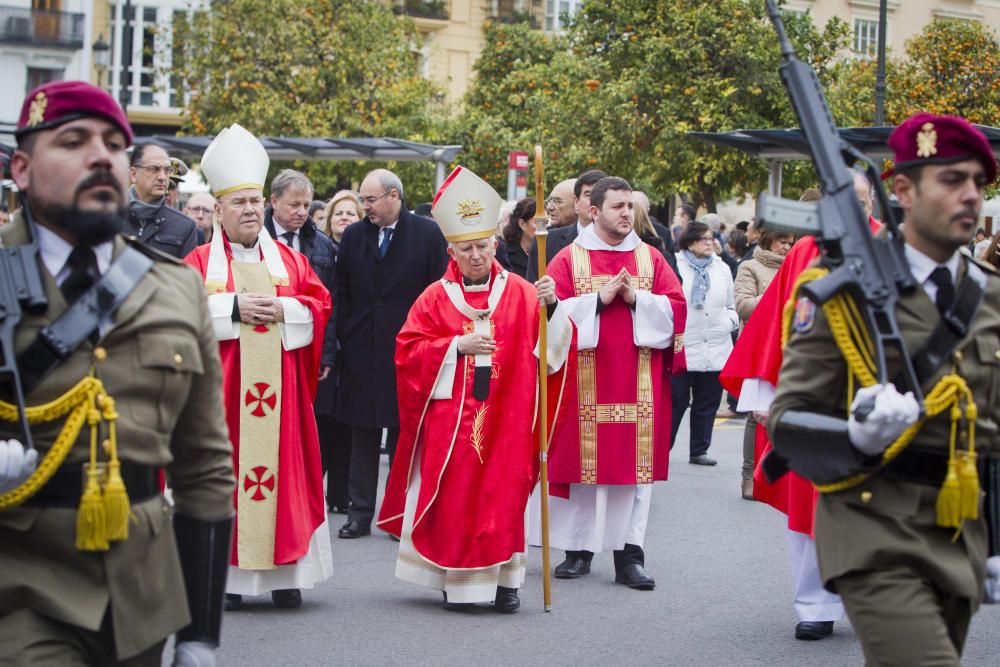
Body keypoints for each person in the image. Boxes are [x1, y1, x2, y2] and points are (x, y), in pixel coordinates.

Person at [0, 80, 233, 666]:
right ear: (23, 169)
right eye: (74, 141)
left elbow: (204, 464)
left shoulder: (174, 286)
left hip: (141, 593)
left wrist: (203, 634)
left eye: (113, 143)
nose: (101, 155)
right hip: (20, 584)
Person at [768, 113, 1000, 662]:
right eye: (951, 179)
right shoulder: (839, 292)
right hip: (873, 527)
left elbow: (989, 433)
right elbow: (789, 417)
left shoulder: (988, 296)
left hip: (958, 531)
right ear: (903, 190)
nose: (970, 196)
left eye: (978, 182)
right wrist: (859, 437)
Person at [377, 166, 574, 613]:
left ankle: (507, 584)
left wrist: (554, 306)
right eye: (466, 249)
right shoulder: (434, 298)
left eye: (482, 246)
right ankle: (457, 581)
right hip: (451, 424)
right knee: (457, 495)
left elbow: (557, 351)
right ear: (452, 250)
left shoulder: (524, 294)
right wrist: (454, 346)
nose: (477, 256)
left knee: (503, 495)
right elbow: (407, 352)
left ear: (493, 244)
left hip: (508, 418)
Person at [183, 124, 333, 611]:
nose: (248, 210)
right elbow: (179, 315)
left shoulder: (290, 261)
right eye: (238, 203)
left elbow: (318, 306)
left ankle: (287, 573)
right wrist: (231, 309)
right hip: (223, 399)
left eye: (254, 201)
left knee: (286, 476)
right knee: (226, 476)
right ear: (219, 210)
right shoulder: (197, 262)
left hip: (281, 398)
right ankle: (230, 579)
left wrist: (283, 310)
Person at [721, 174, 877, 641]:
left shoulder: (893, 249)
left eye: (861, 200)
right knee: (813, 504)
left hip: (874, 401)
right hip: (812, 398)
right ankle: (815, 605)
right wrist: (766, 398)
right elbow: (772, 326)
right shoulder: (805, 253)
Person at [535, 176, 686, 590]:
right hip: (583, 381)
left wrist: (638, 299)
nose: (626, 214)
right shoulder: (567, 258)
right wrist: (596, 302)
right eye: (617, 206)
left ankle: (629, 557)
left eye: (629, 207)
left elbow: (676, 310)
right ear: (594, 210)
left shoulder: (651, 258)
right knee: (582, 468)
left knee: (633, 476)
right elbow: (547, 320)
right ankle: (578, 551)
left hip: (639, 382)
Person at [335, 168, 448, 539]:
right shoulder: (354, 236)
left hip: (409, 350)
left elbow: (438, 291)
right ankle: (360, 511)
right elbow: (344, 292)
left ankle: (399, 514)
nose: (364, 207)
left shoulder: (427, 233)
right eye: (363, 199)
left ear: (394, 196)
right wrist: (346, 335)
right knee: (361, 435)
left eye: (371, 199)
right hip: (362, 350)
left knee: (404, 436)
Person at [670, 222, 739, 467]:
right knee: (676, 400)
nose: (710, 243)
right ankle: (662, 447)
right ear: (689, 242)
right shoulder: (676, 265)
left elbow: (731, 304)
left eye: (711, 238)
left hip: (716, 344)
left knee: (707, 401)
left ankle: (699, 449)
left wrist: (729, 321)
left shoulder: (721, 268)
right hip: (685, 344)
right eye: (703, 239)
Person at [732, 228, 793, 498]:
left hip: (787, 346)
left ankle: (777, 477)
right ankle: (749, 475)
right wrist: (778, 292)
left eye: (790, 243)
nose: (787, 248)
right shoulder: (750, 266)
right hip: (758, 346)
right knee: (756, 414)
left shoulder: (796, 266)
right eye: (783, 242)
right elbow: (743, 305)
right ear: (768, 240)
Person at [317, 189, 363, 514]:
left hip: (353, 347)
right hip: (324, 347)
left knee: (346, 424)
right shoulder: (319, 251)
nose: (344, 218)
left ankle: (340, 494)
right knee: (320, 421)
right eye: (339, 213)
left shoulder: (364, 253)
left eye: (351, 213)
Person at [526, 169, 607, 282]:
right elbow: (533, 291)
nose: (550, 207)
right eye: (589, 195)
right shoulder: (544, 242)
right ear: (576, 201)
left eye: (558, 201)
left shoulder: (622, 242)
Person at [126, 143, 199, 258]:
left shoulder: (184, 226)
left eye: (167, 171)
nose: (162, 177)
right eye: (154, 169)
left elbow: (186, 274)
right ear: (133, 174)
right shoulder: (109, 216)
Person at [501, 197, 536, 278]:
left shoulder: (548, 251)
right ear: (522, 224)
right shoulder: (504, 253)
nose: (543, 227)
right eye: (538, 222)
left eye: (546, 222)